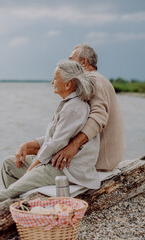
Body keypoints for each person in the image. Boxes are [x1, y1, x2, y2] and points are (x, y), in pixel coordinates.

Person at [0, 60, 101, 203]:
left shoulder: (74, 108)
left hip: (65, 170)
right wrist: (28, 145)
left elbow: (56, 143)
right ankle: (19, 208)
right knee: (9, 164)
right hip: (52, 162)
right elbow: (55, 136)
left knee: (2, 195)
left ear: (68, 84)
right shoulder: (69, 104)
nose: (52, 82)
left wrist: (34, 167)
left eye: (55, 78)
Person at [51, 43, 126, 171]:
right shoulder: (99, 79)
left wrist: (73, 146)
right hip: (107, 157)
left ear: (84, 62)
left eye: (71, 60)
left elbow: (99, 116)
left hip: (101, 162)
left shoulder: (92, 79)